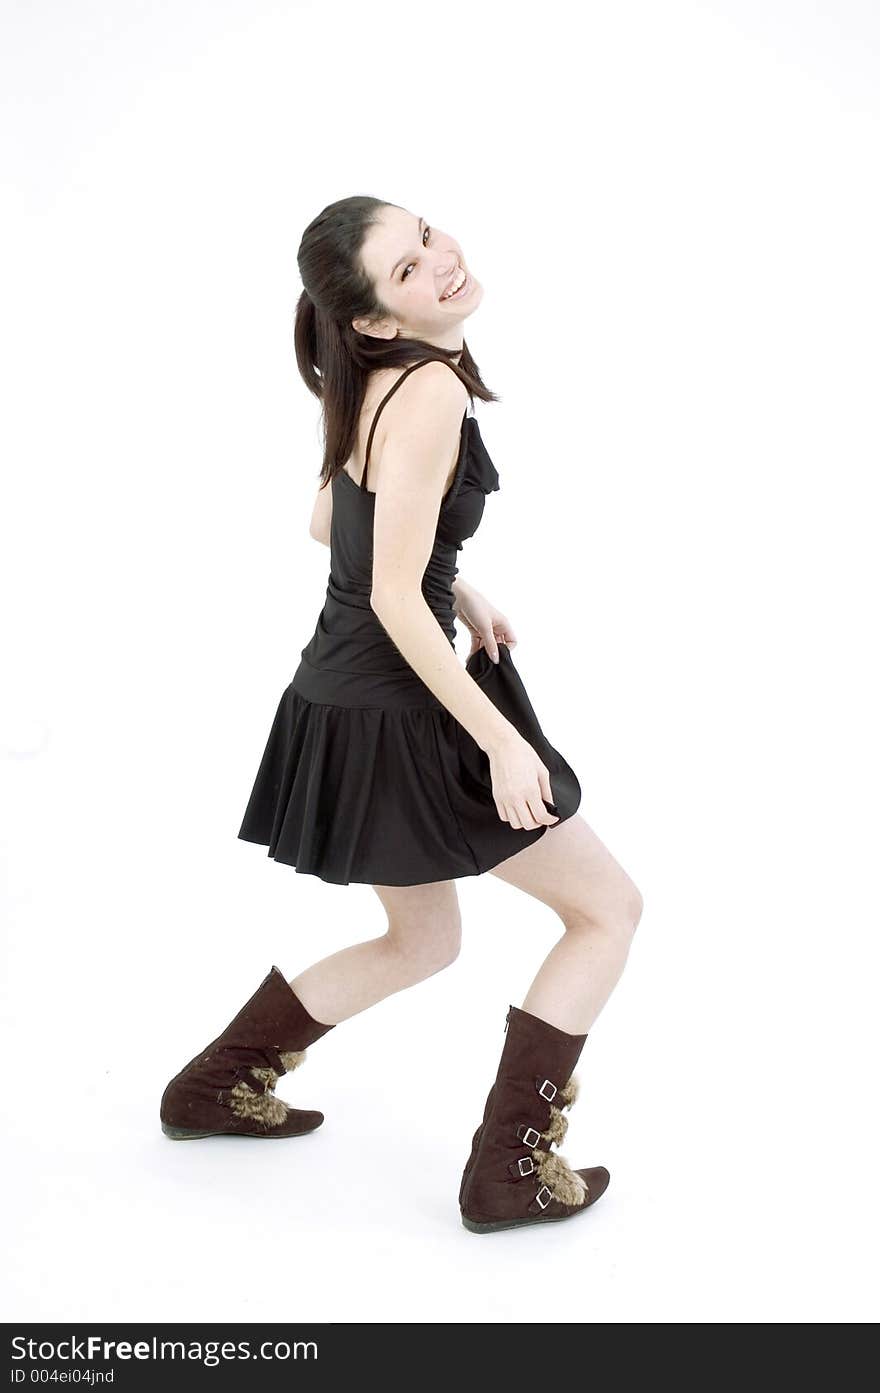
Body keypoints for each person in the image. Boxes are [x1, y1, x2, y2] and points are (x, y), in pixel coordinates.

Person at [160, 196, 643, 1234]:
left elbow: (330, 519)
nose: (442, 260)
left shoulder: (369, 375)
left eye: (426, 235)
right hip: (401, 706)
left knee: (421, 942)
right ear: (379, 316)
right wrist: (499, 737)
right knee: (606, 910)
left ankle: (216, 1083)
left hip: (340, 700)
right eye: (409, 266)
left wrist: (449, 580)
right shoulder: (422, 390)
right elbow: (383, 591)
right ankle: (510, 1169)